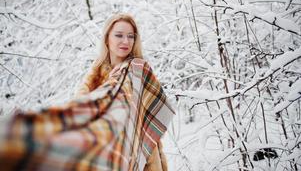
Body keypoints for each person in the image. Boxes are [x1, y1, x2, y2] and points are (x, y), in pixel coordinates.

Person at [0, 13, 175, 171]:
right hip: (108, 155)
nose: (126, 41)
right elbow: (82, 111)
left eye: (131, 36)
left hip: (141, 156)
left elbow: (120, 98)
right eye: (119, 35)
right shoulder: (94, 75)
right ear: (107, 39)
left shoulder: (137, 68)